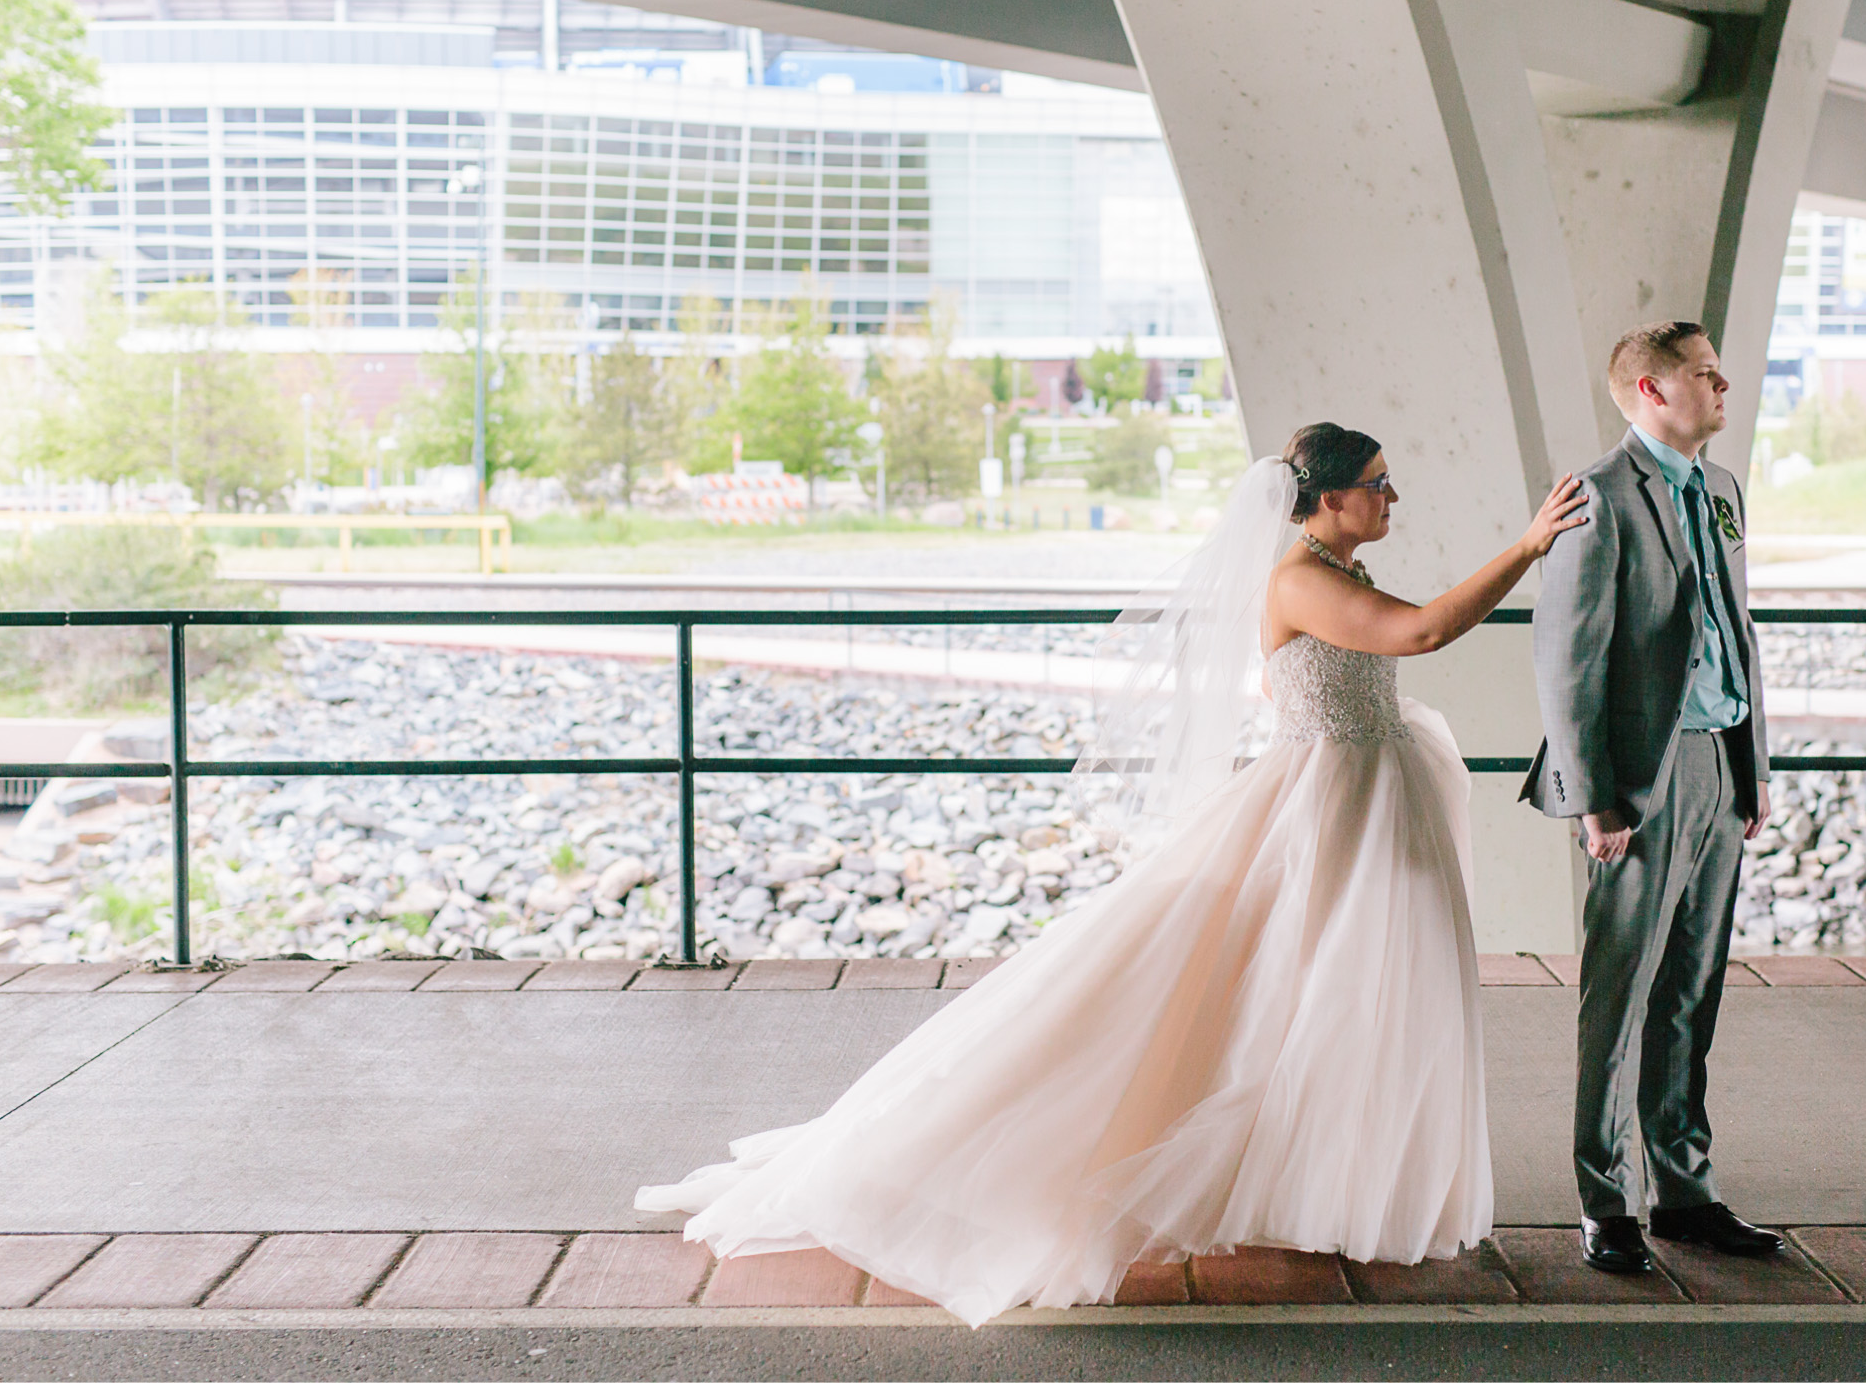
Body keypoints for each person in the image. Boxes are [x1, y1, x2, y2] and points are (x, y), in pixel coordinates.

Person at [637, 423, 1588, 1326]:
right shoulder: (1299, 578)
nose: (1392, 497)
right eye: (1377, 484)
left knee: (1343, 997)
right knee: (1287, 991)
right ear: (1328, 501)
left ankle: (1328, 1186)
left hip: (1362, 786)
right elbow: (1419, 634)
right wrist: (1528, 547)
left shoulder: (1335, 566)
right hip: (1334, 803)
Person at [1522, 320, 1782, 1276]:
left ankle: (1685, 1192)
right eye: (1707, 376)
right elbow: (1567, 659)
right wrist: (1595, 798)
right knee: (1620, 991)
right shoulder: (1597, 498)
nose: (1726, 388)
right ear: (1650, 392)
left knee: (1692, 991)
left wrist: (1754, 767)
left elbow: (1739, 631)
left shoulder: (1721, 489)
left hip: (1722, 763)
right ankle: (1606, 1200)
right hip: (1642, 778)